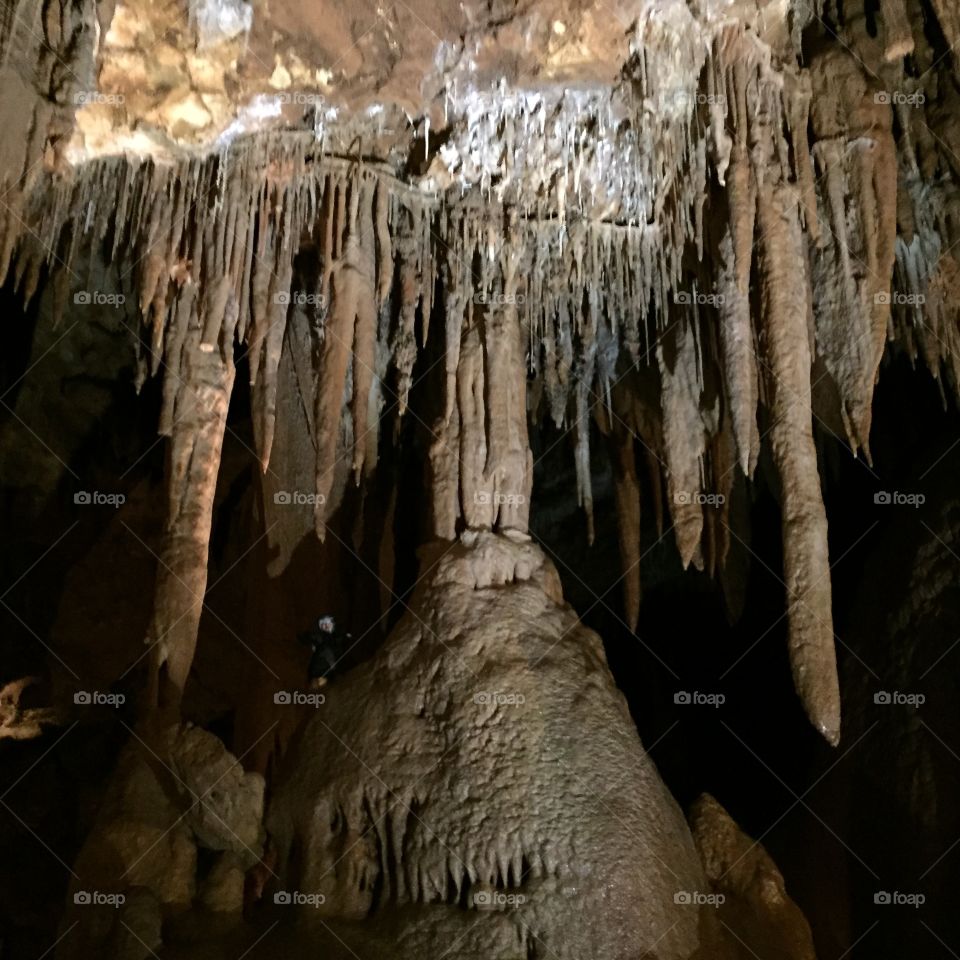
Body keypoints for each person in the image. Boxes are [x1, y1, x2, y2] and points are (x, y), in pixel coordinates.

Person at [298, 615, 352, 689]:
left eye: (328, 624)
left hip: (328, 670)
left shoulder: (335, 636)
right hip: (318, 668)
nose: (326, 626)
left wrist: (346, 636)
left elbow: (341, 639)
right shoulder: (320, 636)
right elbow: (310, 637)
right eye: (323, 625)